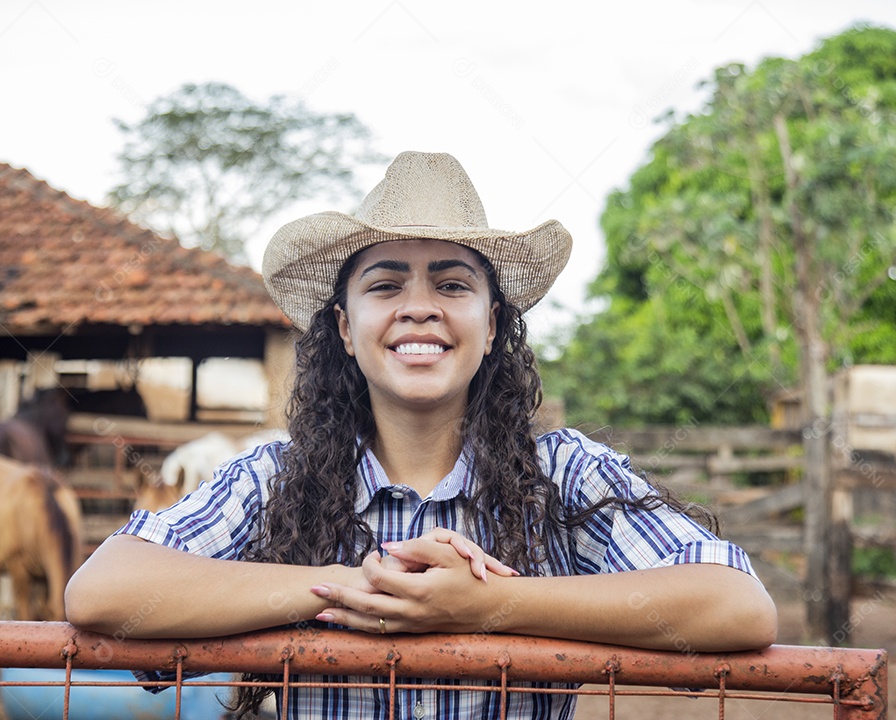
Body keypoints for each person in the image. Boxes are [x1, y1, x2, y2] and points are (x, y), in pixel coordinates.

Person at [65, 151, 777, 718]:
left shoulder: (562, 476)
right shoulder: (279, 478)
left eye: (452, 284)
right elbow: (104, 592)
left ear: (492, 323)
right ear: (344, 328)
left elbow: (737, 606)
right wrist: (351, 588)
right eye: (384, 285)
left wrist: (493, 605)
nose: (419, 310)